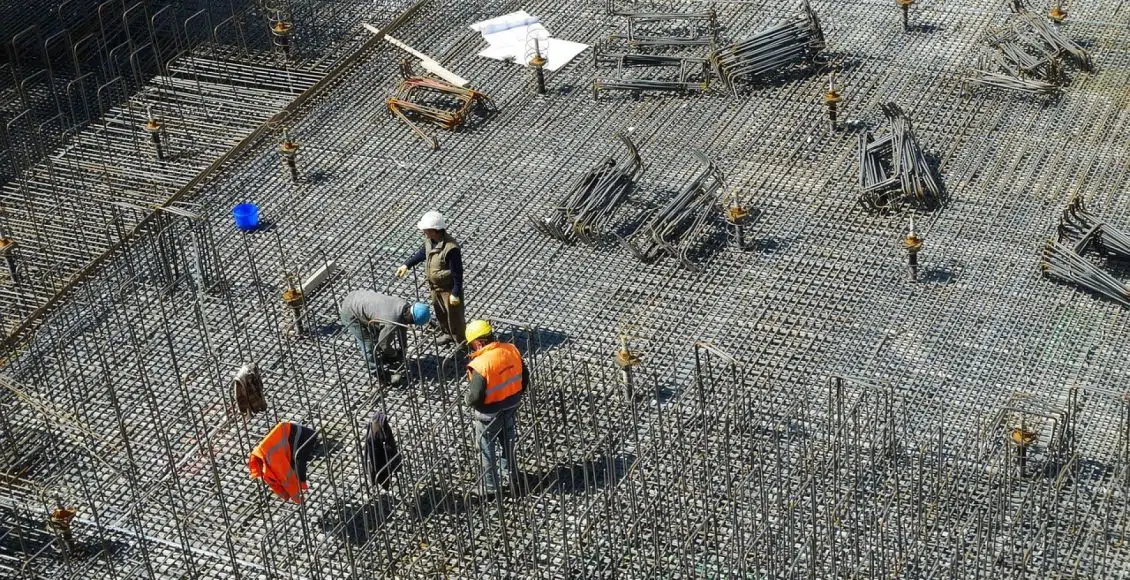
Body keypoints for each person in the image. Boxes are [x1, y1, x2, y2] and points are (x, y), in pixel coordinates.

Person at [463, 320, 527, 496]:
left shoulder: (481, 364)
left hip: (489, 413)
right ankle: (512, 478)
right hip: (511, 404)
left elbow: (475, 396)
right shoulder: (511, 349)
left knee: (485, 446)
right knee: (508, 441)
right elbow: (525, 376)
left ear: (478, 342)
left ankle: (490, 487)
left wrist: (467, 399)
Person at [396, 211, 465, 346]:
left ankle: (460, 341)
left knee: (455, 317)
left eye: (426, 230)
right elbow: (423, 254)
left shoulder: (451, 248)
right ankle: (447, 334)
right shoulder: (430, 241)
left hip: (448, 289)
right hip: (435, 288)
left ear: (435, 230)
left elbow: (457, 272)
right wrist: (407, 265)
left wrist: (456, 292)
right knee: (441, 314)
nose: (424, 233)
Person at [339, 290, 430, 384]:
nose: (411, 324)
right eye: (412, 322)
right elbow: (384, 344)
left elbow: (402, 326)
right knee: (369, 345)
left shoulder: (403, 305)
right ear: (411, 316)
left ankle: (384, 357)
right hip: (350, 311)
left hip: (357, 296)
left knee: (380, 335)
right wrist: (394, 354)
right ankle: (379, 375)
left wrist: (403, 347)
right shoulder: (390, 322)